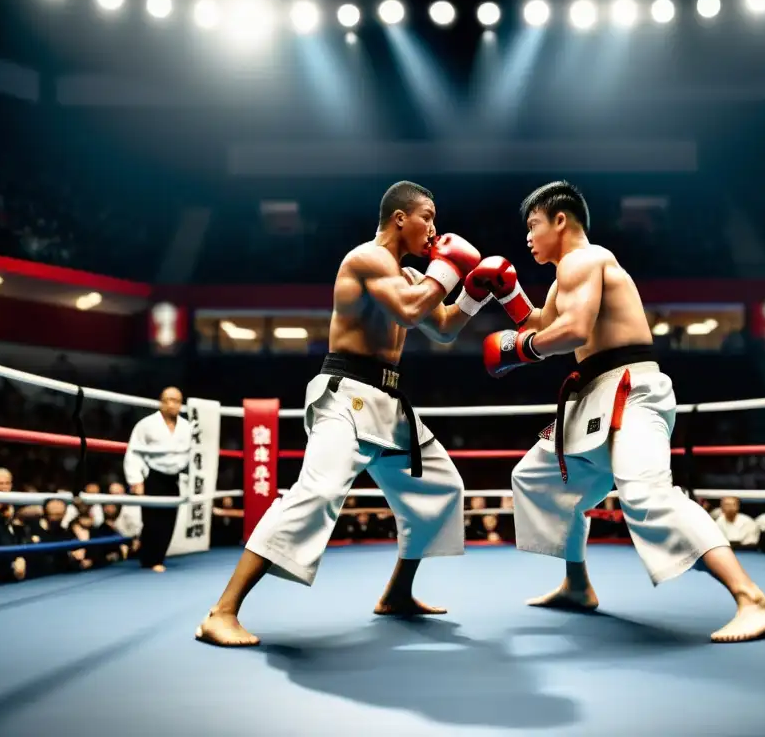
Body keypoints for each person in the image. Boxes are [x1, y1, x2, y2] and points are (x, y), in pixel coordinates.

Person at [483, 180, 765, 643]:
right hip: (594, 396)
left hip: (629, 389)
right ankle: (578, 584)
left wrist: (519, 348)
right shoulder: (570, 272)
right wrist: (506, 294)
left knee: (647, 495)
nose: (526, 237)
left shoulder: (585, 258)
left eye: (533, 225)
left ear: (560, 219)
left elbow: (571, 330)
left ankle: (753, 599)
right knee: (536, 477)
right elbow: (541, 324)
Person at [196, 180, 496, 647]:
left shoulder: (414, 277)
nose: (435, 229)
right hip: (346, 396)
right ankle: (222, 611)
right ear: (401, 218)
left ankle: (397, 594)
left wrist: (476, 293)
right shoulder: (366, 259)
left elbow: (442, 330)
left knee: (441, 488)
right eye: (428, 217)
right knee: (316, 493)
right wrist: (451, 267)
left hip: (389, 405)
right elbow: (407, 311)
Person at [123, 386, 191, 572]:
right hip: (153, 475)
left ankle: (157, 558)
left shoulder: (186, 426)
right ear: (161, 402)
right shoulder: (146, 424)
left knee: (170, 519)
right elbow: (134, 452)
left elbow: (190, 454)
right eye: (168, 399)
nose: (172, 404)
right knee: (152, 519)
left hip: (174, 478)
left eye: (177, 400)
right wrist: (136, 480)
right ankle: (149, 559)